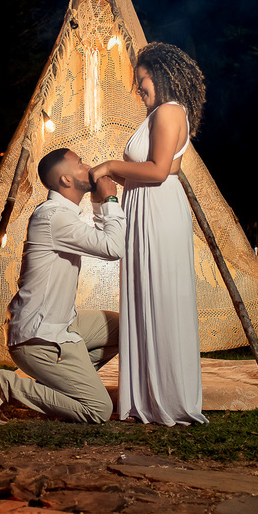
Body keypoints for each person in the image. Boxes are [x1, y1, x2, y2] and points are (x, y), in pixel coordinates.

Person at [89, 42, 208, 426]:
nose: (139, 89)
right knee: (144, 293)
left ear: (162, 75)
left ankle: (168, 395)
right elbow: (159, 170)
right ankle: (146, 393)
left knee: (160, 293)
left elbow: (158, 171)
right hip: (146, 208)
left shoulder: (170, 111)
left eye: (142, 80)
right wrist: (109, 175)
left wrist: (110, 163)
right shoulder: (158, 114)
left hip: (158, 211)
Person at [0, 147, 124, 424]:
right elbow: (113, 246)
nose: (89, 166)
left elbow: (106, 241)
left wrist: (99, 204)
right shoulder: (53, 217)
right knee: (99, 410)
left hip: (62, 325)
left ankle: (63, 384)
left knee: (124, 328)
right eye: (80, 163)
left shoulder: (62, 214)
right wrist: (109, 199)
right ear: (66, 181)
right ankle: (9, 385)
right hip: (39, 338)